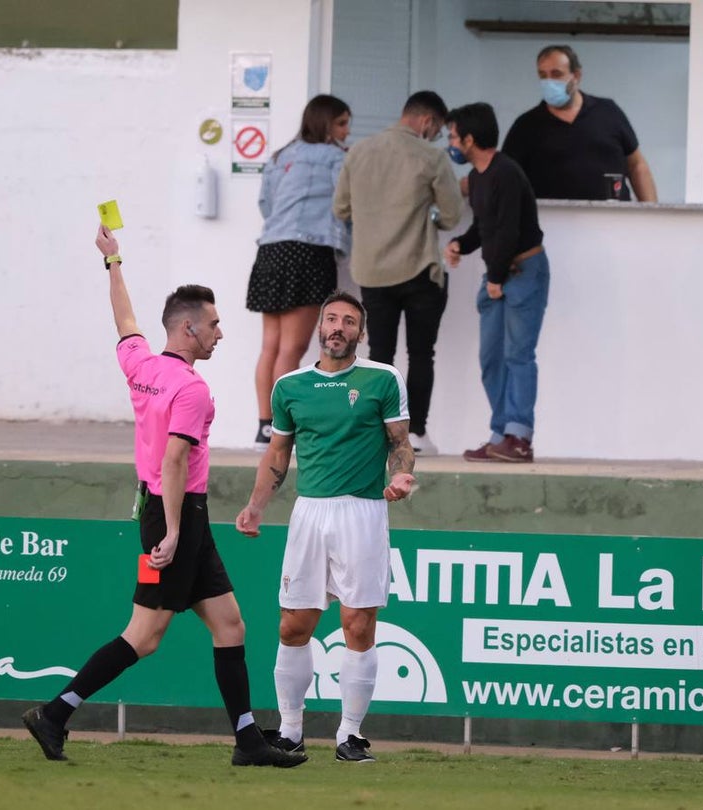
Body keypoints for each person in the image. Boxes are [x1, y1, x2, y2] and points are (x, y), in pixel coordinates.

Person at [22, 226, 303, 768]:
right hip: (173, 516)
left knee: (230, 625)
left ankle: (248, 743)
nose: (220, 333)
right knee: (145, 636)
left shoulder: (143, 366)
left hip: (175, 514)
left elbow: (125, 321)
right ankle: (55, 713)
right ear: (189, 328)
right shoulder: (193, 389)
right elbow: (174, 461)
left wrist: (114, 262)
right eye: (215, 324)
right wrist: (174, 531)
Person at [235, 290, 415, 764]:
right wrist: (256, 506)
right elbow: (277, 453)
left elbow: (400, 442)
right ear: (319, 327)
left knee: (358, 623)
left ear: (361, 331)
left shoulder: (383, 379)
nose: (338, 328)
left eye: (349, 322)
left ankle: (349, 735)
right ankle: (291, 731)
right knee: (294, 625)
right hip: (310, 514)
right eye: (331, 319)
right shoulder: (290, 386)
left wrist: (400, 474)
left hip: (363, 511)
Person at [333, 91, 462, 456]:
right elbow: (452, 216)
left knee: (379, 355)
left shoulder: (358, 153)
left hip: (372, 271)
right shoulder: (431, 156)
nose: (435, 135)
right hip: (419, 268)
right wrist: (428, 215)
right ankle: (417, 433)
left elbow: (340, 207)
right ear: (427, 121)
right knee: (422, 353)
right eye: (435, 128)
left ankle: (378, 433)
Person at [443, 102, 549, 464]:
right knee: (492, 358)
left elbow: (507, 230)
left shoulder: (506, 172)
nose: (451, 143)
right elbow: (484, 229)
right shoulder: (477, 177)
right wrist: (461, 244)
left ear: (470, 139)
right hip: (498, 274)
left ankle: (519, 437)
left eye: (453, 136)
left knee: (519, 355)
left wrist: (497, 278)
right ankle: (499, 433)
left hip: (522, 271)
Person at [247, 94, 353, 451]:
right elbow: (346, 202)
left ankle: (265, 426)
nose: (346, 130)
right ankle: (283, 427)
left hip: (271, 250)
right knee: (293, 348)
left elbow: (266, 204)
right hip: (309, 250)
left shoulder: (279, 157)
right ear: (325, 124)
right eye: (341, 123)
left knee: (271, 346)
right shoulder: (337, 159)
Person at [502, 44, 657, 202]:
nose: (549, 82)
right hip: (554, 220)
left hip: (613, 219)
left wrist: (652, 217)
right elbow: (505, 178)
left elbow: (637, 165)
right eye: (543, 75)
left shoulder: (608, 112)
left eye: (556, 74)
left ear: (576, 76)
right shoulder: (526, 125)